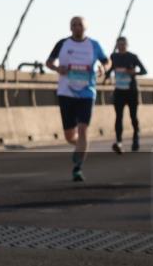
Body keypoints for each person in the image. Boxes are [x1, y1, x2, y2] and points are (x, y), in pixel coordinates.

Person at [45, 16, 109, 182]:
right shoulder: (63, 43)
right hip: (66, 93)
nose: (77, 27)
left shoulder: (93, 45)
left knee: (82, 129)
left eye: (80, 24)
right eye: (74, 24)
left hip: (87, 93)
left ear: (85, 27)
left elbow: (107, 61)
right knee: (69, 136)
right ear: (70, 27)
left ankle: (78, 167)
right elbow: (49, 62)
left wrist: (103, 68)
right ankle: (81, 145)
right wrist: (58, 68)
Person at [104, 36, 147, 153]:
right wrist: (106, 76)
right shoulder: (114, 57)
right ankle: (119, 142)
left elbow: (144, 71)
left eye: (123, 44)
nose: (121, 46)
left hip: (131, 91)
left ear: (127, 45)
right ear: (117, 45)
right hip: (119, 91)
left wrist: (134, 72)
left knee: (133, 117)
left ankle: (136, 139)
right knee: (119, 117)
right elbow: (110, 69)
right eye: (119, 44)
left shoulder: (132, 57)